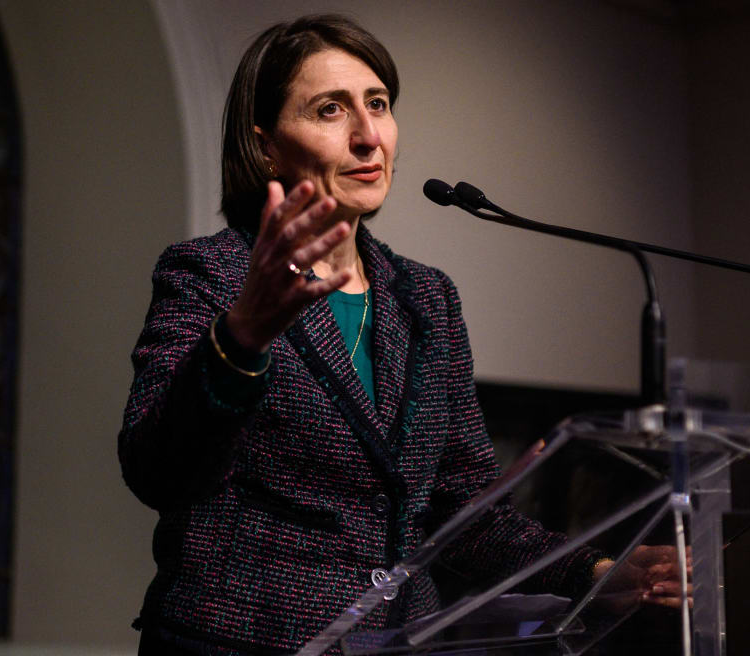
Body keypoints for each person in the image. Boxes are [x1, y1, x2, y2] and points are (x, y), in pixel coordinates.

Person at [119, 14, 685, 656]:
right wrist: (242, 336)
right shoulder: (211, 273)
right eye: (330, 109)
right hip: (241, 643)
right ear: (266, 145)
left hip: (400, 643)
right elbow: (153, 467)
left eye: (379, 105)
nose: (369, 137)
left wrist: (594, 573)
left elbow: (463, 516)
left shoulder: (427, 298)